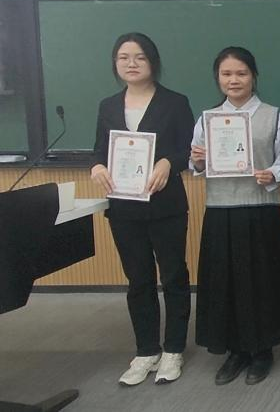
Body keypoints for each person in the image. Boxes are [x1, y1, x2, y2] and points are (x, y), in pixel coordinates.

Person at [190, 47, 280, 386]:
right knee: (225, 283)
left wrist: (273, 173)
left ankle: (262, 350)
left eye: (241, 73)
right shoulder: (208, 119)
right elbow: (195, 162)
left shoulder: (273, 115)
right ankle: (235, 350)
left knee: (261, 282)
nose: (234, 80)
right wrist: (198, 160)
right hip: (220, 211)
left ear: (254, 76)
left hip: (259, 211)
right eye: (226, 74)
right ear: (218, 78)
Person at [91, 32, 194, 386]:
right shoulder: (108, 106)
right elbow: (99, 150)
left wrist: (168, 162)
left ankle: (174, 349)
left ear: (153, 62)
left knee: (174, 276)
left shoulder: (175, 102)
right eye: (124, 57)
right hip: (124, 207)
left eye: (139, 57)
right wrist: (97, 166)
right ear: (115, 63)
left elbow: (188, 149)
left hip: (166, 205)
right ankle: (146, 350)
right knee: (138, 280)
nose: (131, 64)